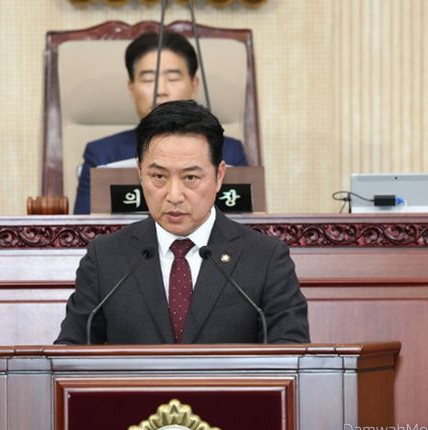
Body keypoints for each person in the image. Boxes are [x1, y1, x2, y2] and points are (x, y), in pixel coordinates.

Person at [55, 100, 309, 345]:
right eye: (158, 176)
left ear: (219, 176)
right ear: (140, 174)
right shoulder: (106, 258)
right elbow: (69, 356)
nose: (174, 195)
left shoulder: (265, 258)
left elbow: (291, 356)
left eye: (190, 178)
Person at [73, 30, 248, 214]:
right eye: (148, 79)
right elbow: (81, 228)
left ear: (194, 85)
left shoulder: (230, 152)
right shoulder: (101, 155)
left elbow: (249, 223)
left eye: (173, 78)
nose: (161, 90)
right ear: (132, 89)